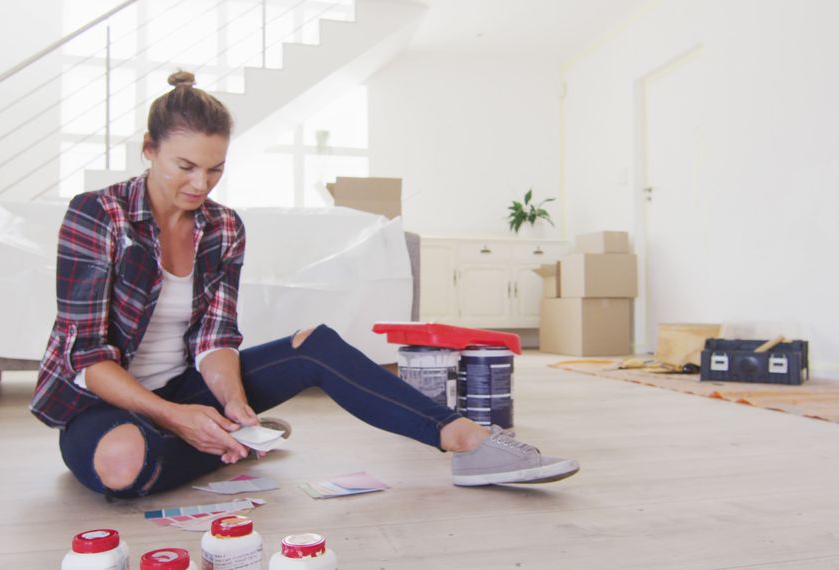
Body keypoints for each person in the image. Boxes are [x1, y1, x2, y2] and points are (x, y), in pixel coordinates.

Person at [30, 71, 579, 499]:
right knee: (123, 465)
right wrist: (175, 417)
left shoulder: (222, 226)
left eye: (216, 169)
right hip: (98, 401)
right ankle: (219, 442)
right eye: (185, 166)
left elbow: (214, 338)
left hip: (185, 388)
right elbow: (87, 356)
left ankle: (466, 440)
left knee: (313, 344)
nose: (201, 184)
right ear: (148, 149)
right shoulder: (96, 214)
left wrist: (233, 402)